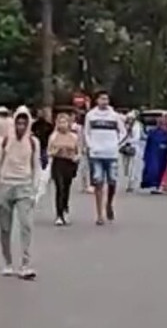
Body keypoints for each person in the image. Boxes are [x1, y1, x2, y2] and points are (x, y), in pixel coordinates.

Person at [0, 107, 40, 278]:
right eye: (18, 123)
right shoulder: (4, 140)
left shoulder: (33, 142)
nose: (21, 126)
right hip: (6, 185)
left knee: (26, 225)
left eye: (24, 123)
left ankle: (26, 264)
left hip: (24, 186)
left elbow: (36, 166)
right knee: (5, 228)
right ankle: (8, 262)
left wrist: (35, 190)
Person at [84, 90, 125, 225]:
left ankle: (109, 203)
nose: (104, 102)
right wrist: (91, 146)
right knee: (98, 183)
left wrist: (117, 144)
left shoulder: (114, 116)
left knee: (112, 181)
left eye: (106, 99)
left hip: (111, 153)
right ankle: (99, 214)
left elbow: (123, 132)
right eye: (102, 99)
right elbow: (86, 132)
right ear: (97, 100)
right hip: (96, 154)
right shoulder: (91, 115)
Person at [48, 112, 81, 226]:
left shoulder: (74, 137)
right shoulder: (53, 137)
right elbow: (49, 152)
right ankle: (59, 214)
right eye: (60, 122)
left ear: (69, 123)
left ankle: (65, 210)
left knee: (66, 188)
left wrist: (76, 157)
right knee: (60, 188)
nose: (63, 125)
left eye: (65, 122)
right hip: (58, 162)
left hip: (69, 163)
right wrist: (56, 151)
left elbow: (78, 152)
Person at [141, 114, 167, 193]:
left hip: (163, 153)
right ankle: (154, 185)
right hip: (154, 152)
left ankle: (161, 185)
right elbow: (148, 143)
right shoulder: (153, 132)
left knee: (162, 169)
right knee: (153, 169)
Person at [120, 111, 141, 192]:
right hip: (124, 147)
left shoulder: (137, 126)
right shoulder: (124, 125)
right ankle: (127, 181)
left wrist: (130, 142)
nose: (129, 120)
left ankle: (131, 184)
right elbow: (121, 135)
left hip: (133, 147)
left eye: (131, 118)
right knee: (125, 166)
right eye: (128, 118)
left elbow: (137, 137)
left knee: (132, 166)